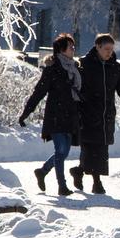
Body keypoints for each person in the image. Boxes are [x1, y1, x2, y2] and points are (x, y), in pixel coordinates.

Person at [70, 34, 120, 194]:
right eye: (106, 49)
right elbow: (74, 88)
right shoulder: (84, 64)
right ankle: (97, 182)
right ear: (97, 47)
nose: (109, 52)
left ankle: (79, 171)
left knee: (101, 149)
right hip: (86, 113)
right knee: (90, 147)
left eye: (111, 49)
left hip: (106, 114)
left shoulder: (115, 67)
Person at [19, 33, 82, 197]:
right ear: (61, 50)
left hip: (71, 116)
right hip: (56, 116)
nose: (73, 50)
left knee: (64, 152)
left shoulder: (75, 68)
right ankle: (62, 186)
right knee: (60, 150)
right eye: (70, 47)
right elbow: (39, 92)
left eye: (73, 47)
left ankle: (43, 171)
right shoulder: (52, 69)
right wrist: (26, 113)